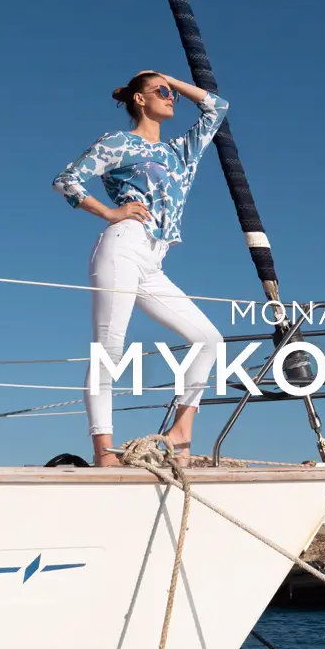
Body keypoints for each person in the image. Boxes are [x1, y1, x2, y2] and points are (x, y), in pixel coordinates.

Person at [52, 70, 228, 467]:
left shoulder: (182, 150)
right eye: (160, 92)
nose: (170, 97)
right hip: (123, 246)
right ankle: (104, 452)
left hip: (154, 260)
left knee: (209, 339)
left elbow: (217, 107)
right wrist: (109, 212)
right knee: (110, 350)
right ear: (139, 100)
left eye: (172, 94)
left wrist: (170, 78)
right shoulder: (118, 142)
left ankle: (181, 433)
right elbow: (66, 181)